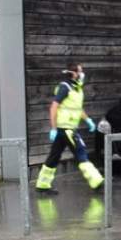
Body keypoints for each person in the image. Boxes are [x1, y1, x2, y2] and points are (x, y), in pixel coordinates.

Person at [35, 58, 104, 195]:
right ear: (74, 73)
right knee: (81, 152)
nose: (82, 73)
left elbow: (77, 109)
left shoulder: (76, 89)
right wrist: (53, 128)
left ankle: (43, 184)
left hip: (66, 129)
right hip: (66, 129)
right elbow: (53, 107)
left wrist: (88, 120)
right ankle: (97, 182)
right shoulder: (65, 87)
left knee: (54, 156)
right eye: (80, 71)